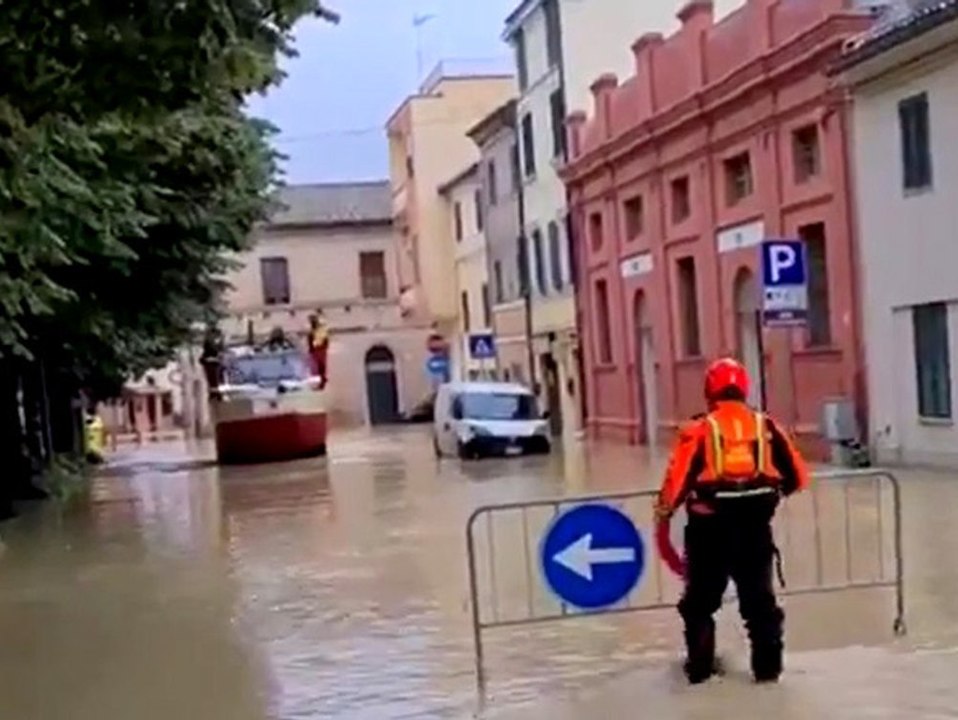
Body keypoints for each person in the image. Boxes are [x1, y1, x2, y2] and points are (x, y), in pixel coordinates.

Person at [655, 357, 810, 685]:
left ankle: (700, 673)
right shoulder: (766, 426)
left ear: (709, 390)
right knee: (760, 606)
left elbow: (676, 486)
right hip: (755, 531)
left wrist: (663, 515)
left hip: (708, 532)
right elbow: (798, 477)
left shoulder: (699, 430)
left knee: (700, 604)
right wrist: (767, 495)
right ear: (744, 387)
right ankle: (768, 675)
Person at [308, 312, 330, 388]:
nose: (311, 323)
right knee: (320, 366)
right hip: (319, 349)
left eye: (312, 321)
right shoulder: (315, 329)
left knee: (319, 366)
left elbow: (324, 339)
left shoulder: (317, 329)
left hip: (319, 349)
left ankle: (321, 381)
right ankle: (322, 379)